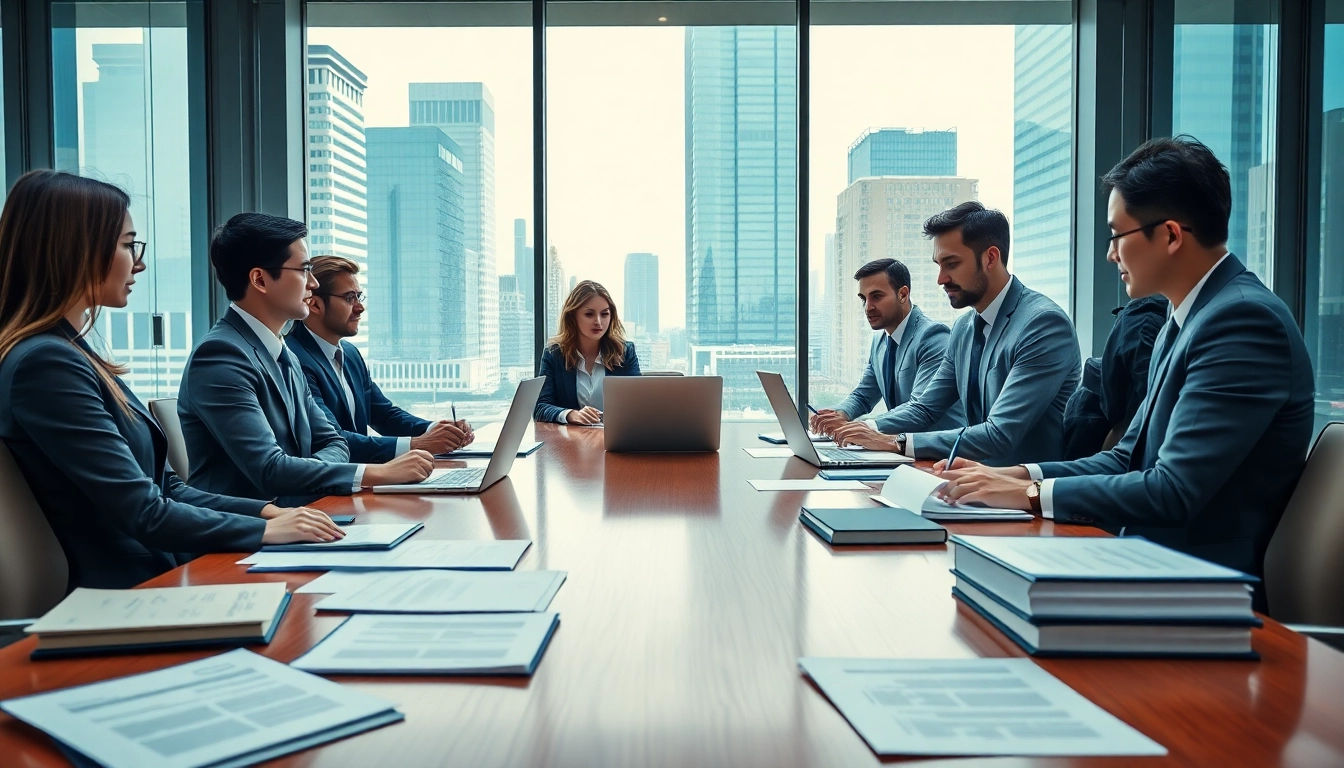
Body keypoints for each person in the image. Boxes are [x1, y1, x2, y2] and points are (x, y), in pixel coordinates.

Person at [936, 136, 1314, 587]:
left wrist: (1029, 493)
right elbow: (1124, 459)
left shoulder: (1242, 321)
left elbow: (1173, 490)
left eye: (1118, 234)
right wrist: (1012, 474)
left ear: (1171, 235)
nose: (1111, 252)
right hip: (1147, 562)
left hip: (1202, 586)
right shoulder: (1186, 318)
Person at [0, 171, 343, 590]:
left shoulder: (70, 355)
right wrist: (265, 531)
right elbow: (144, 512)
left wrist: (264, 513)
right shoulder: (47, 365)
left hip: (160, 574)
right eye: (128, 245)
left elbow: (166, 487)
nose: (139, 262)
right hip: (129, 591)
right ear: (76, 249)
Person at [179, 213, 434, 505]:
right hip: (243, 538)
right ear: (260, 279)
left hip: (305, 516)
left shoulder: (281, 350)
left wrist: (306, 467)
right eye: (304, 270)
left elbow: (334, 441)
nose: (312, 284)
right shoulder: (220, 357)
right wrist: (376, 473)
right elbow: (271, 470)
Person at [831, 202, 1081, 466]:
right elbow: (926, 408)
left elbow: (1000, 433)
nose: (941, 278)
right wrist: (867, 430)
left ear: (990, 258)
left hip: (1024, 495)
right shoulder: (963, 329)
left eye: (951, 264)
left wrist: (897, 442)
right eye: (939, 265)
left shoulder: (1043, 324)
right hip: (966, 480)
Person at [286, 256, 474, 462]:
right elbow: (331, 438)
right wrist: (417, 445)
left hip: (360, 481)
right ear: (315, 305)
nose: (360, 307)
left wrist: (438, 430)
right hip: (326, 487)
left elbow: (383, 414)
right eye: (350, 298)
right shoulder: (293, 359)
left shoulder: (350, 353)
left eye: (359, 296)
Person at [810, 258, 963, 436]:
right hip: (901, 449)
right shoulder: (879, 342)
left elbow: (919, 409)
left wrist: (865, 427)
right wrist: (837, 414)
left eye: (877, 296)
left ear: (903, 294)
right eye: (863, 299)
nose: (868, 307)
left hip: (941, 455)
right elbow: (863, 395)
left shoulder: (933, 337)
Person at [1061, 294, 1168, 459]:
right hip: (1097, 432)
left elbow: (1134, 429)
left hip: (1103, 440)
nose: (1116, 265)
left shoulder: (1143, 322)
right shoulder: (1144, 319)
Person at [534, 280, 640, 424]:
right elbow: (540, 408)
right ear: (573, 316)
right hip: (571, 441)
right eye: (589, 314)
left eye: (604, 314)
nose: (598, 321)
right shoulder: (554, 355)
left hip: (616, 438)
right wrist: (570, 414)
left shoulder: (625, 352)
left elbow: (639, 404)